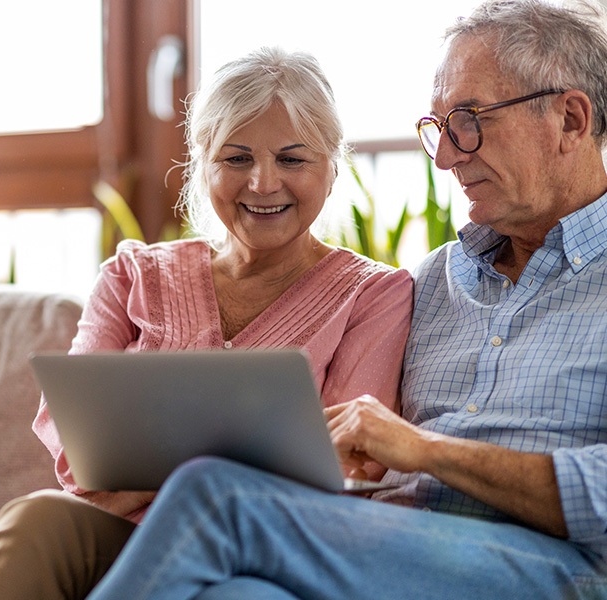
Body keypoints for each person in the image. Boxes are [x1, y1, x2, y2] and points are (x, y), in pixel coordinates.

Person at [83, 1, 607, 599]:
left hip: (552, 565)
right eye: (437, 127)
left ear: (570, 118)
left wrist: (425, 450)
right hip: (385, 547)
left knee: (218, 493)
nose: (444, 154)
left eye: (468, 118)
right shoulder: (435, 281)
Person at [0, 47, 413, 599]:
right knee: (38, 517)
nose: (263, 183)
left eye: (293, 159)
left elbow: (341, 470)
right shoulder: (132, 275)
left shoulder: (375, 294)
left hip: (253, 553)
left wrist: (148, 479)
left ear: (334, 166)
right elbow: (81, 457)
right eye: (236, 158)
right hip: (117, 535)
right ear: (202, 164)